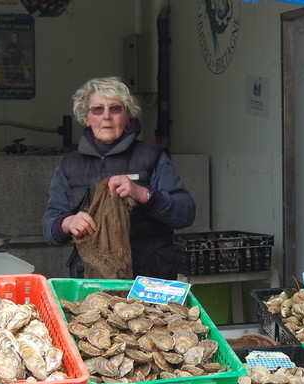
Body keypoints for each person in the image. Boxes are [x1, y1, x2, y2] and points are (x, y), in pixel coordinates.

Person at [42, 77, 195, 280]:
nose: (106, 116)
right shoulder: (69, 165)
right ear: (86, 118)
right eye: (97, 109)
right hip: (91, 279)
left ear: (128, 116)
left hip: (149, 278)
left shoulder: (152, 156)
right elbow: (49, 225)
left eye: (115, 109)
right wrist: (67, 223)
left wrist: (144, 195)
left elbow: (186, 212)